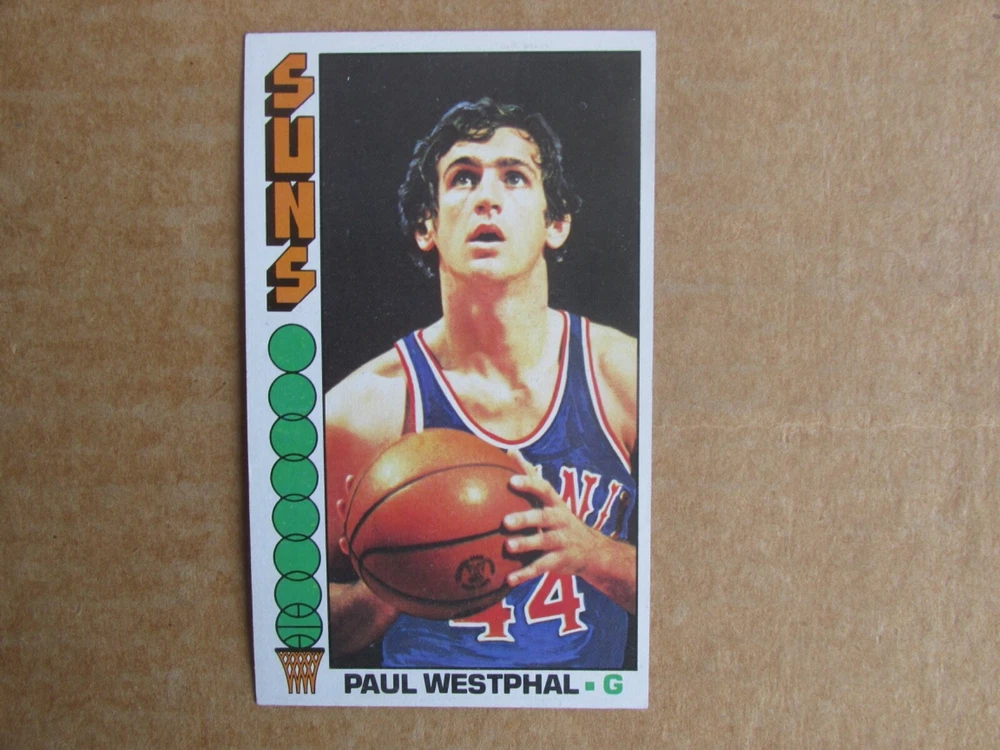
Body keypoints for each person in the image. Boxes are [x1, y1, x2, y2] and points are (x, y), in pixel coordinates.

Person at [325, 99, 637, 669]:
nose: (487, 197)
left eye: (514, 177)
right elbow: (295, 628)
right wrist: (388, 584)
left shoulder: (626, 379)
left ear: (556, 223)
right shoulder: (361, 410)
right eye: (463, 177)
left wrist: (593, 554)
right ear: (427, 225)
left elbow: (716, 592)